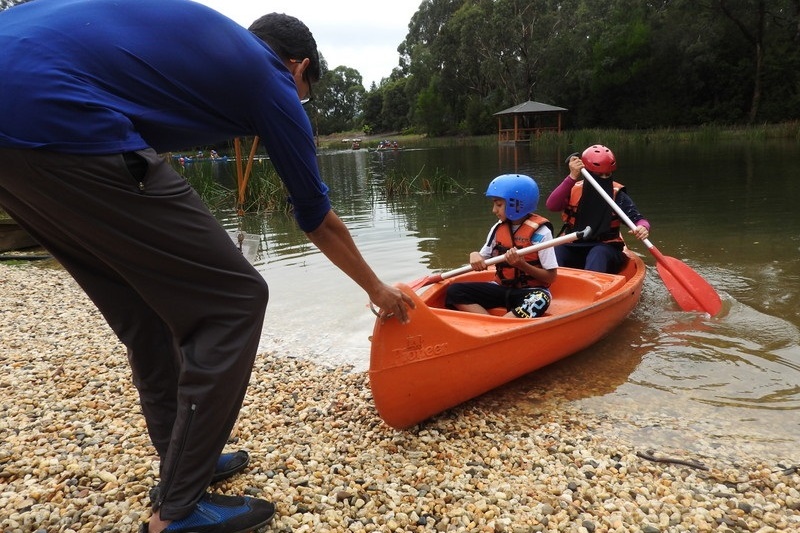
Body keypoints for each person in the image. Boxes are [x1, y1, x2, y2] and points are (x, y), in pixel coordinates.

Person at [0, 1, 413, 532]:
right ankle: (176, 513)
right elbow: (316, 217)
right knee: (235, 302)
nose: (296, 103)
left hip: (20, 128)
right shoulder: (269, 75)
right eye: (302, 95)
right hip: (56, 112)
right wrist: (375, 286)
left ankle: (183, 461)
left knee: (147, 308)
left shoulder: (202, 52)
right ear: (299, 67)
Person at [445, 174, 557, 318]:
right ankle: (490, 323)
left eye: (498, 205)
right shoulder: (497, 228)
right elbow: (482, 257)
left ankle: (504, 325)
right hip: (501, 288)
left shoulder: (541, 232)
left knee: (541, 299)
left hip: (530, 291)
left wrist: (523, 265)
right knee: (454, 291)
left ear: (517, 204)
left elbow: (551, 277)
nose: (494, 210)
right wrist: (474, 255)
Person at [545, 145, 651, 274]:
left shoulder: (617, 195)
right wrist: (572, 176)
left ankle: (591, 290)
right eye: (599, 174)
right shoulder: (573, 189)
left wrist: (643, 228)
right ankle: (552, 289)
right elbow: (552, 205)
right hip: (573, 244)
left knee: (597, 253)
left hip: (606, 247)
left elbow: (639, 220)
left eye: (608, 174)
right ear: (587, 173)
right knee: (556, 251)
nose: (605, 178)